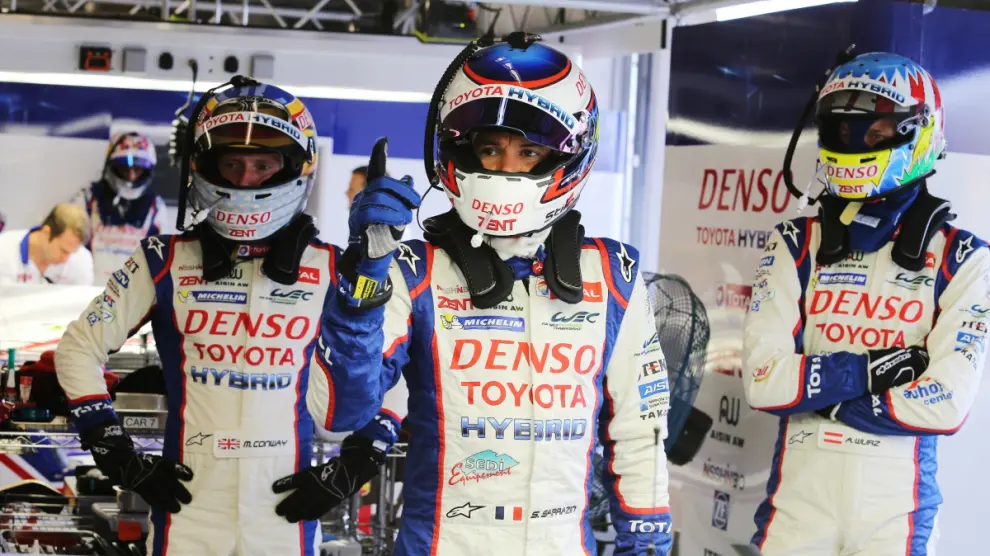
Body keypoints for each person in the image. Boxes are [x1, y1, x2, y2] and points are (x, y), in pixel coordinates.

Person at [278, 32, 675, 556]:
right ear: (460, 151)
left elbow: (641, 433)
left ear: (567, 156)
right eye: (490, 149)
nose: (505, 168)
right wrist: (360, 283)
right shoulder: (413, 270)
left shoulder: (613, 275)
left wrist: (646, 544)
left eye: (528, 152)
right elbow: (335, 416)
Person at [54, 78, 379, 555]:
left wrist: (357, 462)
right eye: (231, 163)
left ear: (295, 167)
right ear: (204, 166)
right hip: (188, 505)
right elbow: (77, 349)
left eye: (263, 165)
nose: (245, 180)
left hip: (284, 508)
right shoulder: (162, 259)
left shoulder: (333, 266)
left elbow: (392, 366)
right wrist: (116, 452)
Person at [744, 52, 989, 555]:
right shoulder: (795, 242)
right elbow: (764, 382)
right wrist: (874, 370)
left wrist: (823, 397)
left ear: (918, 131)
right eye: (844, 131)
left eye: (877, 133)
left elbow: (946, 404)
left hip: (896, 514)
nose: (858, 143)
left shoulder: (964, 258)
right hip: (797, 506)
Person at [71, 132, 169, 286]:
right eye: (125, 168)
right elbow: (70, 248)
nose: (131, 176)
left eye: (138, 169)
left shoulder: (156, 208)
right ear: (112, 166)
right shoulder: (87, 199)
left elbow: (158, 259)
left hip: (130, 292)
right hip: (89, 288)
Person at [0, 204, 94, 285]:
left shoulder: (82, 259)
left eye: (72, 252)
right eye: (63, 250)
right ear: (46, 232)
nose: (65, 259)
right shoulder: (3, 249)